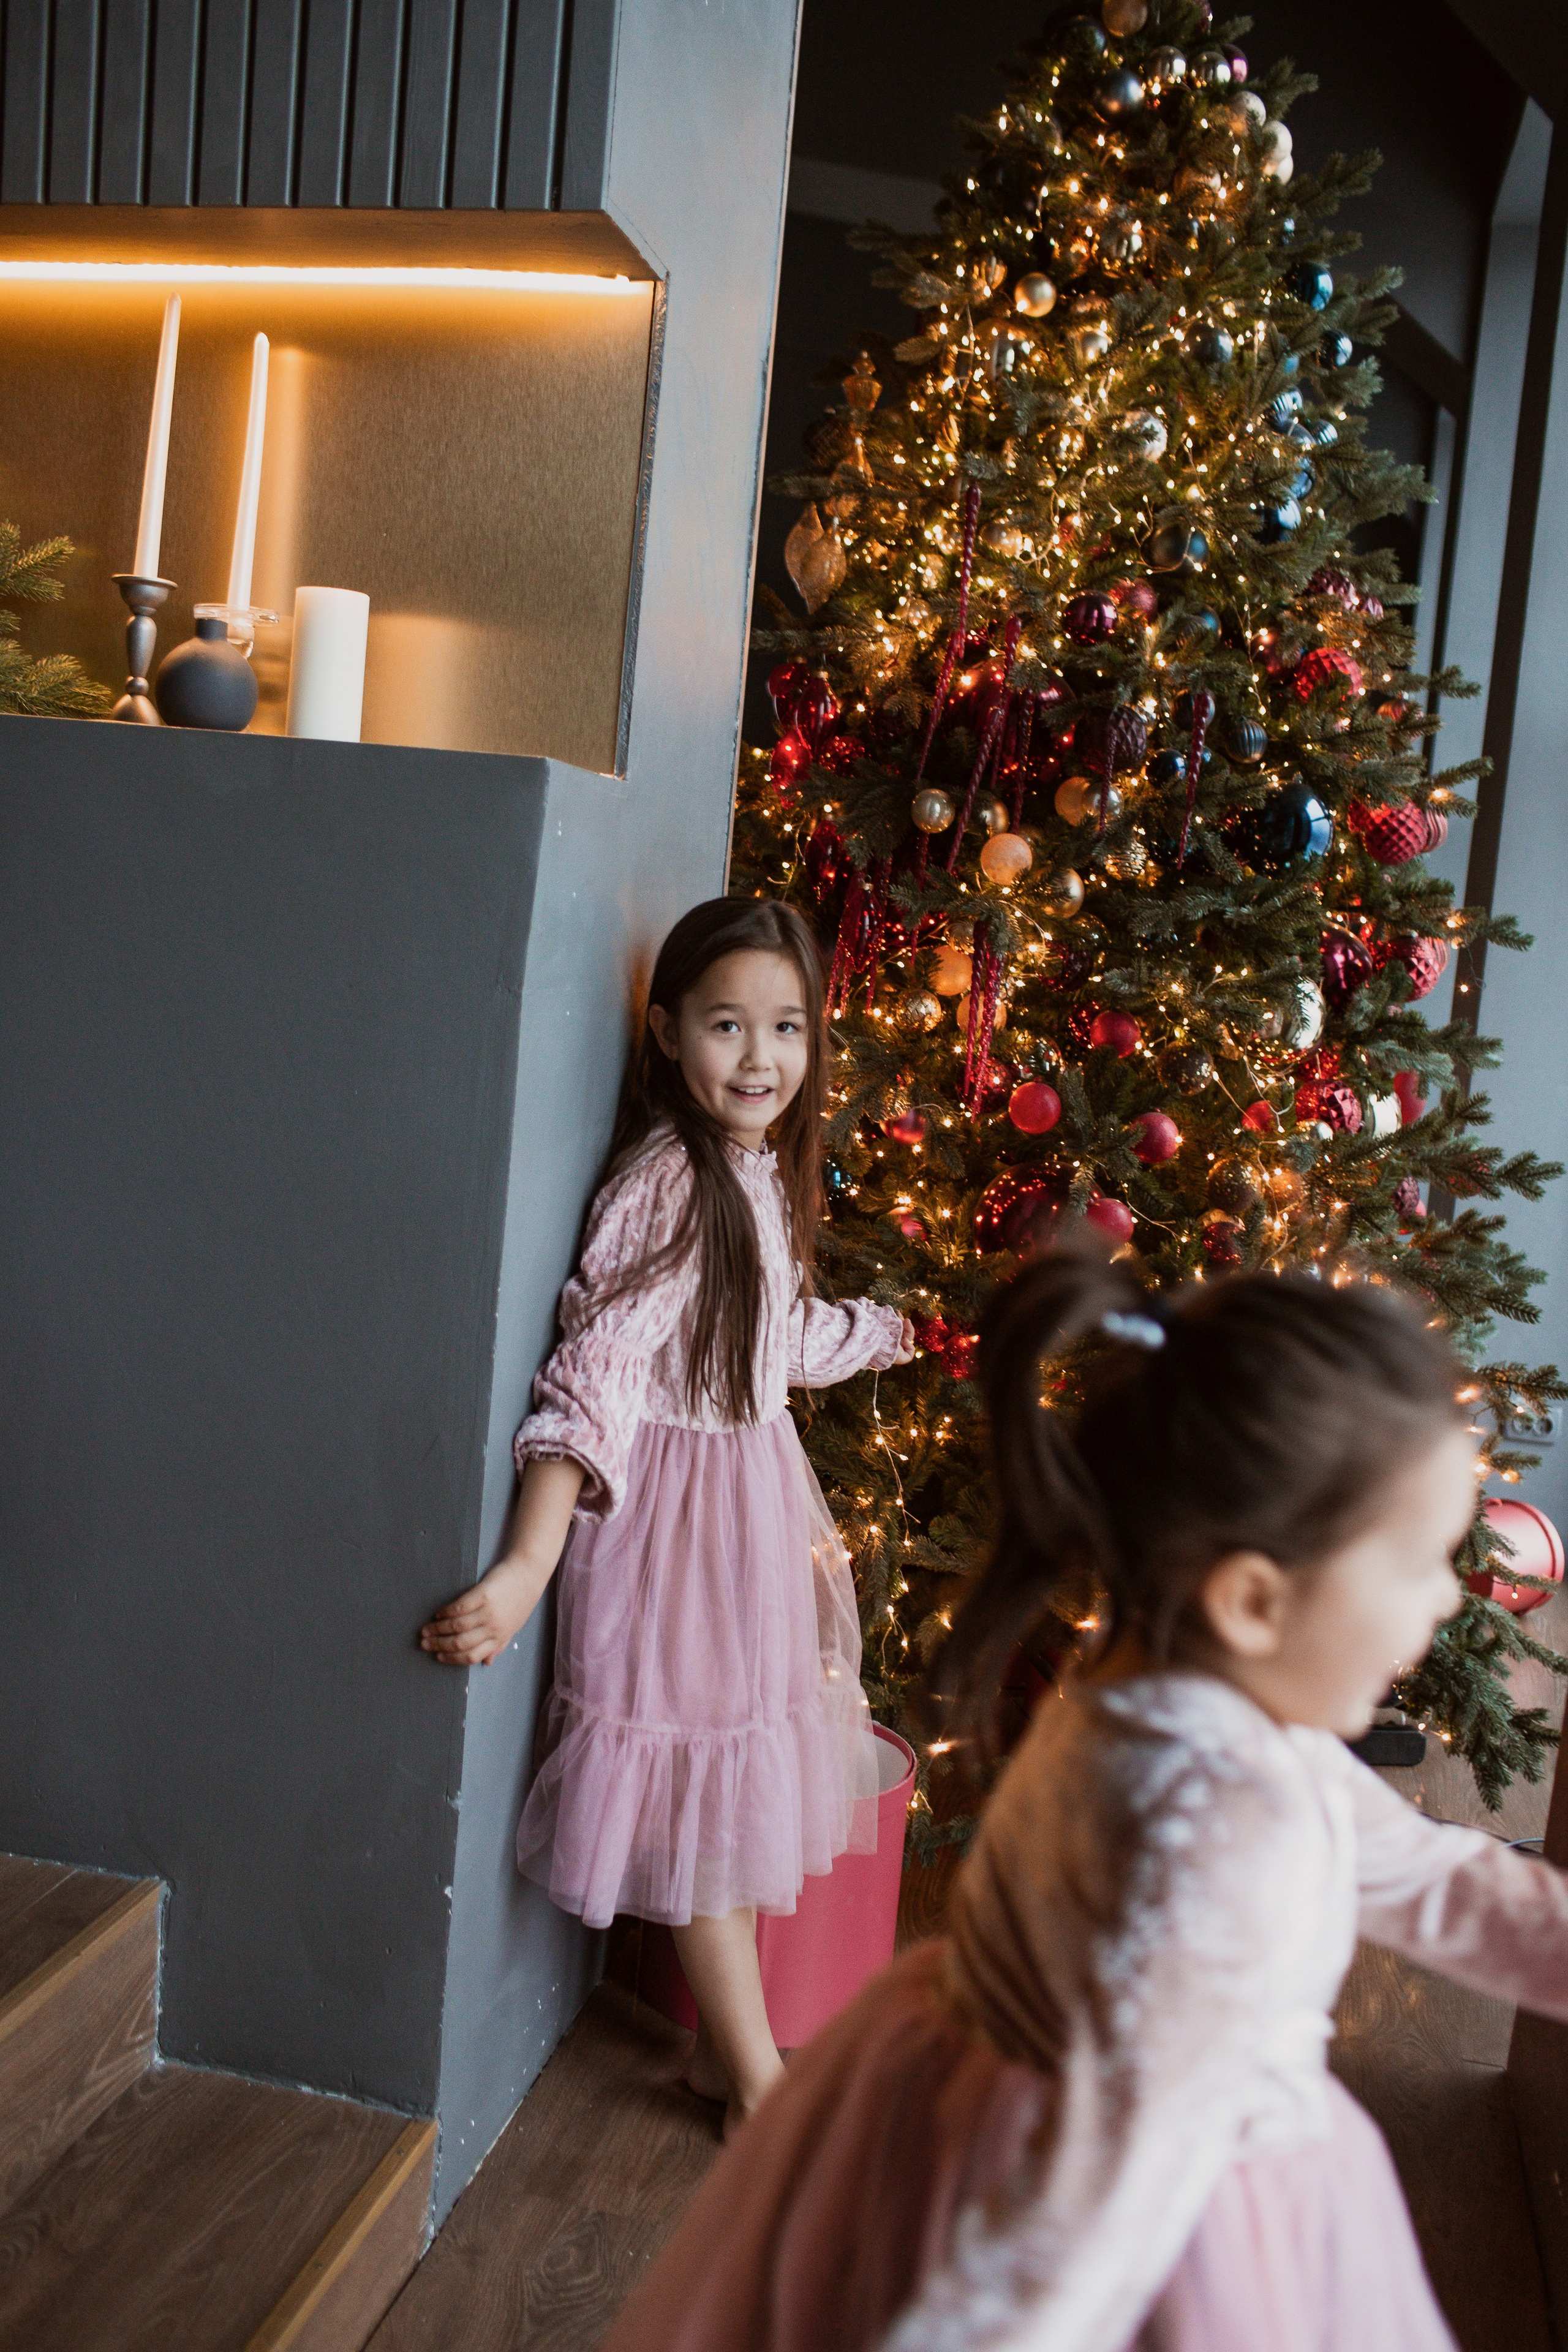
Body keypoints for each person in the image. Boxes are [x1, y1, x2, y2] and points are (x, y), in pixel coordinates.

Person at [600, 1234, 1568, 2351]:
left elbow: (1439, 1884)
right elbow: (1078, 2223)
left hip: (1007, 2121)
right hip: (1152, 2211)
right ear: (1255, 1602)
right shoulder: (1213, 1829)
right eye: (1421, 1563)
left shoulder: (1192, 1711)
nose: (1449, 1601)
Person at [420, 897, 912, 2134]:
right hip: (679, 1529)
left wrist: (883, 1331)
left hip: (746, 1499)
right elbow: (599, 1364)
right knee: (705, 1792)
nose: (760, 1059)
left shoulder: (746, 1172)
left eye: (787, 1028)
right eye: (728, 1025)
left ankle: (719, 2059)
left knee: (734, 1786)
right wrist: (532, 1558)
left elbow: (766, 1338)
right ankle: (754, 2084)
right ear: (666, 1031)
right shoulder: (666, 1185)